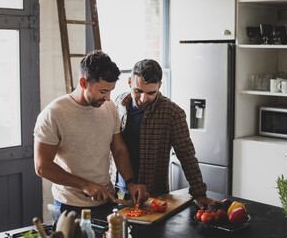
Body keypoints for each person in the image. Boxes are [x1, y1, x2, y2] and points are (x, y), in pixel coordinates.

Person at [33, 50, 148, 215]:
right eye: (103, 91)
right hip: (70, 206)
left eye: (110, 91)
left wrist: (130, 182)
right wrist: (85, 185)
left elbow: (119, 149)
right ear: (83, 82)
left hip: (106, 201)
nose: (108, 98)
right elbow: (42, 167)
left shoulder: (108, 107)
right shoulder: (53, 113)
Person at [113, 59, 214, 208]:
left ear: (159, 86)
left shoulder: (172, 113)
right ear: (129, 82)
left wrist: (199, 194)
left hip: (153, 196)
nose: (143, 99)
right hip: (118, 191)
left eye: (150, 93)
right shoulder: (119, 103)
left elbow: (186, 155)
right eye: (138, 91)